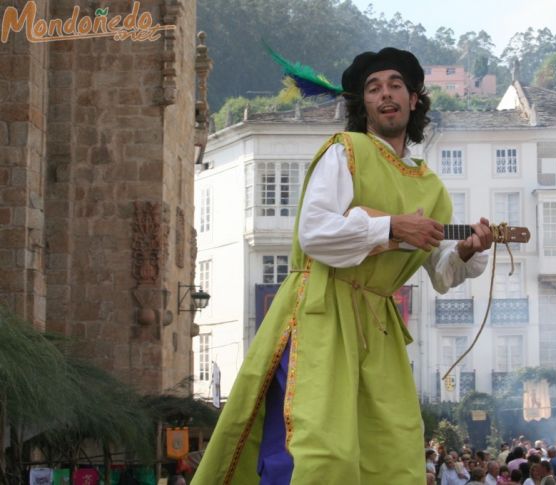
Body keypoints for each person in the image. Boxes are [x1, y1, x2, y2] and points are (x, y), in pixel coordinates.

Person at [191, 47, 493, 485]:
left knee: (396, 454)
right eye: (374, 88)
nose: (385, 95)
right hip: (322, 312)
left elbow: (441, 272)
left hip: (379, 327)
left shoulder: (432, 187)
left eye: (395, 86)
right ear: (363, 104)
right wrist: (392, 226)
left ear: (414, 98)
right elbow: (314, 233)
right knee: (322, 452)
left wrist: (465, 252)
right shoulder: (345, 151)